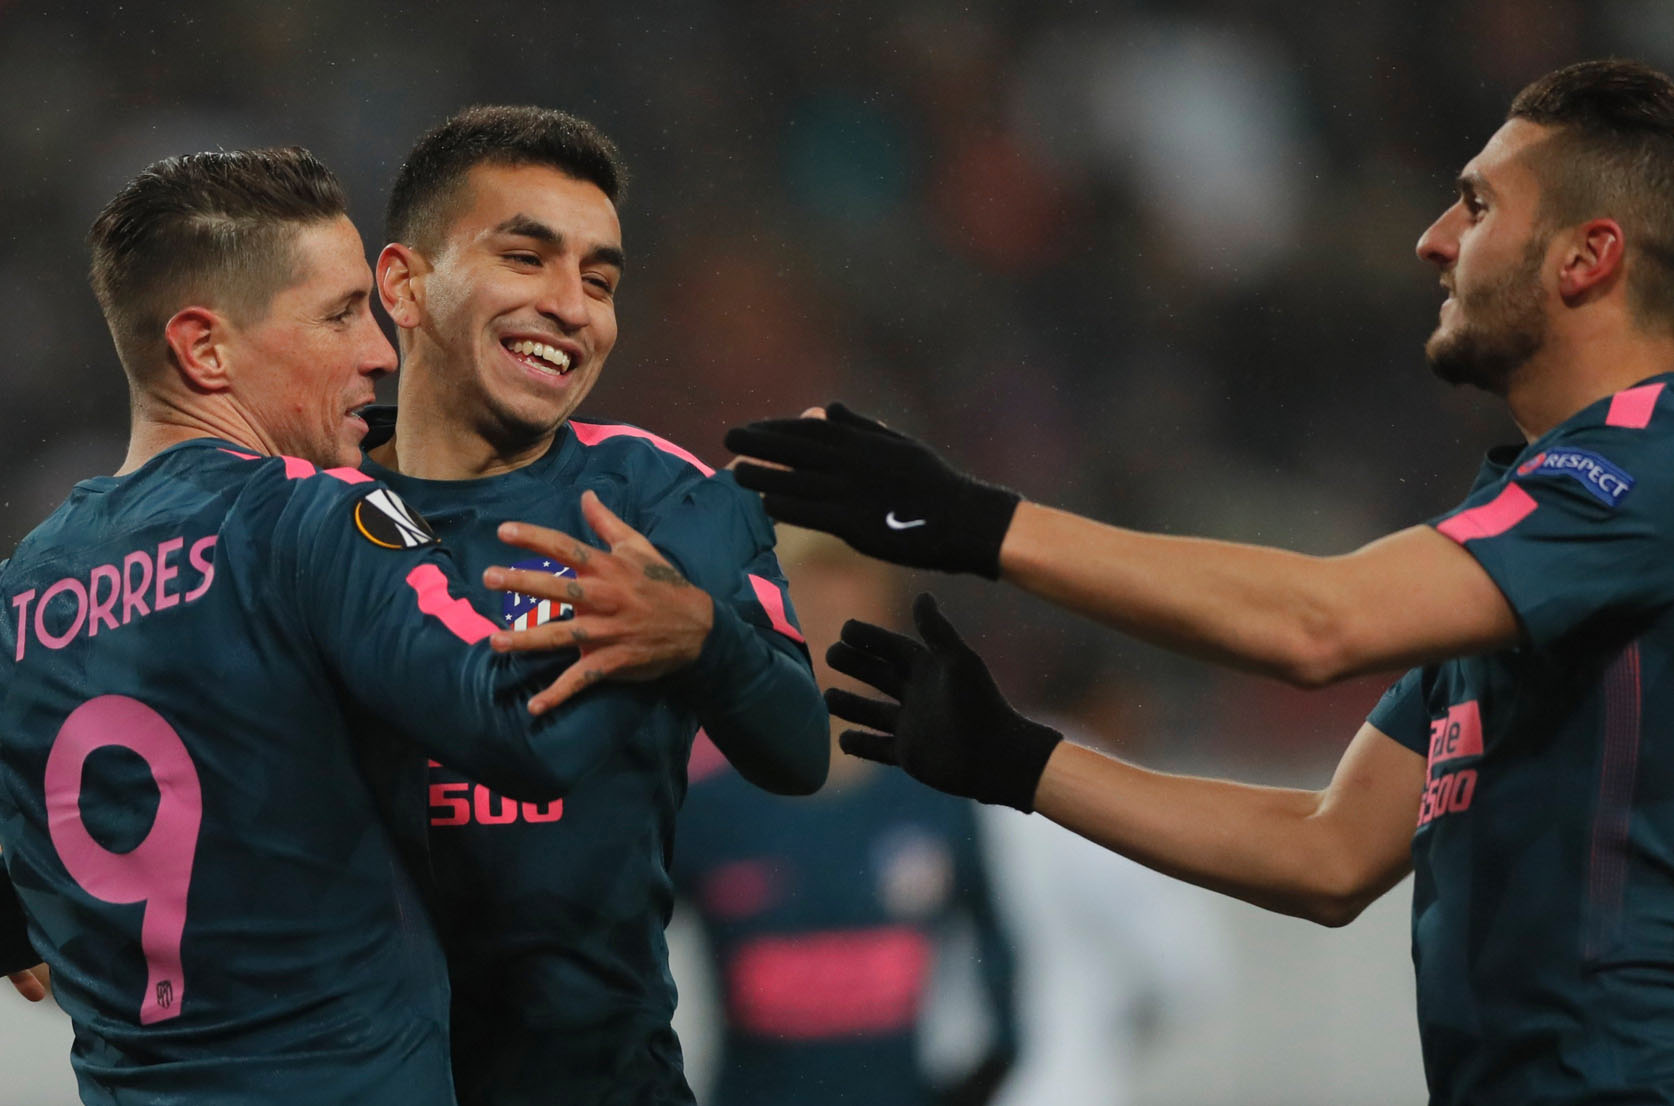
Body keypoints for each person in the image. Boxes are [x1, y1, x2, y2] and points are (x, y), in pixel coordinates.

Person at [726, 58, 1674, 1105]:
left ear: (1589, 256)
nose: (1434, 239)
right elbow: (1328, 851)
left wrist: (971, 521)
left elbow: (1321, 623)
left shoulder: (1650, 463)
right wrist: (1020, 758)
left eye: (1479, 204)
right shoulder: (1536, 542)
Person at [0, 147, 711, 1105]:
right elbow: (522, 733)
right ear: (205, 349)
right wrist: (680, 629)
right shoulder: (306, 516)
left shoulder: (21, 592)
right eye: (339, 314)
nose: (381, 350)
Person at [363, 106, 829, 1105]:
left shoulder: (661, 498)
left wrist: (704, 639)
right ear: (403, 284)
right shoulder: (298, 503)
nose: (573, 306)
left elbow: (798, 750)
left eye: (601, 279)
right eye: (527, 258)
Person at [671, 526, 1017, 1106]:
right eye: (813, 613)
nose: (833, 639)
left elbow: (999, 966)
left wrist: (984, 1074)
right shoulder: (708, 808)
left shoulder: (937, 798)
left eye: (852, 619)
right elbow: (618, 960)